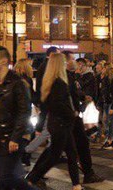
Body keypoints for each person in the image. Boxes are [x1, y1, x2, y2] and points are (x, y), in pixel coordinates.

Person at [26, 54, 81, 189]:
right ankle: (31, 180)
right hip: (61, 124)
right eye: (64, 62)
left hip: (57, 123)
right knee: (53, 157)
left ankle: (76, 185)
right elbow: (59, 105)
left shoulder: (50, 82)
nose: (66, 64)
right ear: (59, 65)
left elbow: (47, 105)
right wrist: (72, 114)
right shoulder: (59, 83)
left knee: (71, 153)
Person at [0, 47, 36, 190]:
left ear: (4, 61)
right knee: (0, 178)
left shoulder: (17, 83)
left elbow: (24, 112)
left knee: (6, 177)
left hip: (13, 136)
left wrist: (15, 138)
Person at [63, 52, 102, 183]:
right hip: (69, 117)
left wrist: (83, 96)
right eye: (73, 59)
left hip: (73, 115)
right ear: (66, 62)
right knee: (58, 150)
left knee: (80, 145)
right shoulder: (64, 76)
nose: (75, 62)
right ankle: (34, 176)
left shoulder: (70, 75)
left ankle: (88, 174)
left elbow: (75, 91)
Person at [98, 64, 113, 148]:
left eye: (103, 68)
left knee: (109, 121)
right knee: (107, 121)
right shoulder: (105, 79)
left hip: (112, 103)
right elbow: (102, 92)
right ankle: (112, 139)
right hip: (106, 102)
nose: (102, 69)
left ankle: (109, 140)